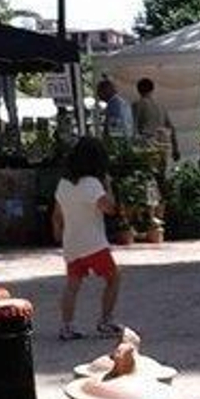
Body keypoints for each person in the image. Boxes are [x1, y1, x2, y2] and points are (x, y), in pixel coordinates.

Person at [53, 136, 122, 341]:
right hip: (94, 243)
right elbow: (109, 208)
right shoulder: (92, 183)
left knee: (72, 284)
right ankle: (106, 320)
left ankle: (67, 325)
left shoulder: (64, 184)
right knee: (114, 278)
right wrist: (108, 185)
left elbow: (57, 215)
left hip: (71, 243)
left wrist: (58, 233)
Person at [131, 77, 180, 161]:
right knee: (160, 172)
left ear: (138, 90)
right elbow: (172, 128)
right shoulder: (161, 106)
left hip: (146, 145)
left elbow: (133, 127)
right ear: (152, 89)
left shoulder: (137, 105)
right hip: (162, 145)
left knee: (146, 172)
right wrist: (175, 148)